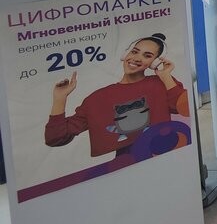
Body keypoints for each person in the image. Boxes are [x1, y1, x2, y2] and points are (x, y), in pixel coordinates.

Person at [46, 33, 189, 157]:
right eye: (134, 52)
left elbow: (184, 108)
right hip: (126, 165)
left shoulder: (161, 83)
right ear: (126, 54)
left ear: (155, 62)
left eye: (147, 56)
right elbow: (55, 138)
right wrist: (60, 99)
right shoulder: (97, 99)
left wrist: (166, 76)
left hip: (167, 156)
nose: (137, 58)